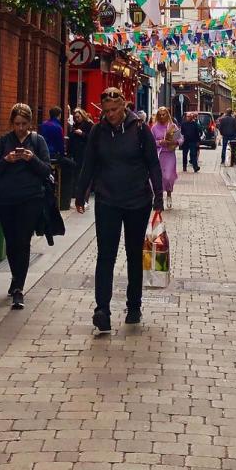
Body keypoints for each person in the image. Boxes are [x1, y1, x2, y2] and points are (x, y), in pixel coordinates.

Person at [75, 88, 163, 333]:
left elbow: (153, 163)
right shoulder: (98, 131)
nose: (110, 114)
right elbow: (89, 163)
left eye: (115, 109)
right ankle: (101, 310)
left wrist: (159, 196)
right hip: (107, 200)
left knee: (134, 254)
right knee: (106, 255)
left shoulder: (140, 129)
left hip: (137, 201)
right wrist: (80, 193)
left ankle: (134, 306)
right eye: (106, 110)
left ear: (125, 106)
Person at [0, 103, 53, 309]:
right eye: (17, 124)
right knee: (12, 243)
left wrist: (31, 158)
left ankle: (18, 288)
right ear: (11, 123)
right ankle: (16, 278)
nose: (21, 128)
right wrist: (7, 159)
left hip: (31, 199)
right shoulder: (3, 142)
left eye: (24, 124)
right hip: (7, 199)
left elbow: (46, 170)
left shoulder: (37, 141)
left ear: (30, 123)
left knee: (23, 242)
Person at [152, 106, 180, 205]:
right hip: (159, 154)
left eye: (164, 114)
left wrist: (176, 142)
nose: (162, 116)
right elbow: (151, 142)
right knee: (159, 177)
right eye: (160, 115)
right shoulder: (154, 128)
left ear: (167, 114)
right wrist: (160, 142)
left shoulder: (172, 126)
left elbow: (180, 139)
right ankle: (158, 197)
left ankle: (169, 194)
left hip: (169, 154)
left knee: (168, 176)